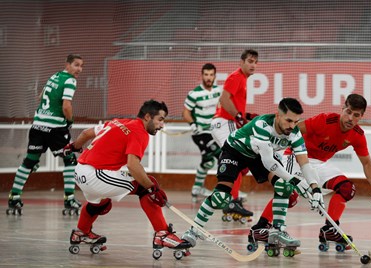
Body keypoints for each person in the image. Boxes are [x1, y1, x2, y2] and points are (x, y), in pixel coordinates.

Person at [182, 98, 325, 253]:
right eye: (288, 120)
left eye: (295, 122)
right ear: (278, 115)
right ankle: (193, 230)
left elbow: (305, 164)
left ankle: (277, 231)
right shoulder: (262, 124)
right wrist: (296, 180)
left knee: (283, 186)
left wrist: (315, 189)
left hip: (259, 155)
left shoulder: (295, 134)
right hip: (235, 150)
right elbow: (269, 162)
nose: (292, 126)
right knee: (220, 197)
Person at [250, 93, 371, 250]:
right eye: (348, 112)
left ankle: (330, 229)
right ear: (342, 109)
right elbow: (295, 129)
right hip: (296, 157)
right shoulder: (325, 120)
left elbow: (367, 163)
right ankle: (260, 227)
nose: (350, 118)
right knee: (289, 193)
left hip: (319, 163)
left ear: (361, 116)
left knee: (346, 188)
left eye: (356, 115)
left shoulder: (357, 135)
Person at [66, 100, 191, 254]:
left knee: (101, 202)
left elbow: (86, 133)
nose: (162, 125)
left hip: (80, 171)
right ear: (147, 117)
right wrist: (152, 189)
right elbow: (133, 165)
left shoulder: (118, 122)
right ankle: (163, 234)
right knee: (146, 186)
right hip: (95, 175)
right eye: (160, 119)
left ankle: (81, 233)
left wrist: (74, 147)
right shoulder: (139, 132)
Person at [6, 54, 84, 216]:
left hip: (38, 125)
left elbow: (40, 96)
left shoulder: (54, 76)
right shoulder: (70, 81)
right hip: (55, 128)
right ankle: (69, 198)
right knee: (70, 159)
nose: (79, 69)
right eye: (76, 65)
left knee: (30, 160)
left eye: (81, 66)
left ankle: (14, 197)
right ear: (67, 65)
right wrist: (69, 122)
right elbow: (66, 106)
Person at [210, 49, 259, 221]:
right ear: (241, 62)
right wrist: (239, 117)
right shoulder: (236, 77)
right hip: (224, 122)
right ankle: (231, 200)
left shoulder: (243, 79)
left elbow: (232, 103)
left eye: (255, 62)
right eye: (250, 61)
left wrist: (246, 117)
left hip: (227, 123)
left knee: (241, 163)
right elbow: (224, 99)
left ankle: (231, 198)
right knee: (236, 158)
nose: (253, 65)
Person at [183, 63, 222, 203]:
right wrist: (193, 125)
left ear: (215, 76)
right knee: (221, 155)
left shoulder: (219, 91)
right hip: (200, 132)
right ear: (202, 76)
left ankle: (197, 188)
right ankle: (228, 191)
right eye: (206, 74)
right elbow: (186, 112)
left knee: (208, 161)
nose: (208, 78)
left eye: (211, 75)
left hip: (214, 131)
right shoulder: (194, 94)